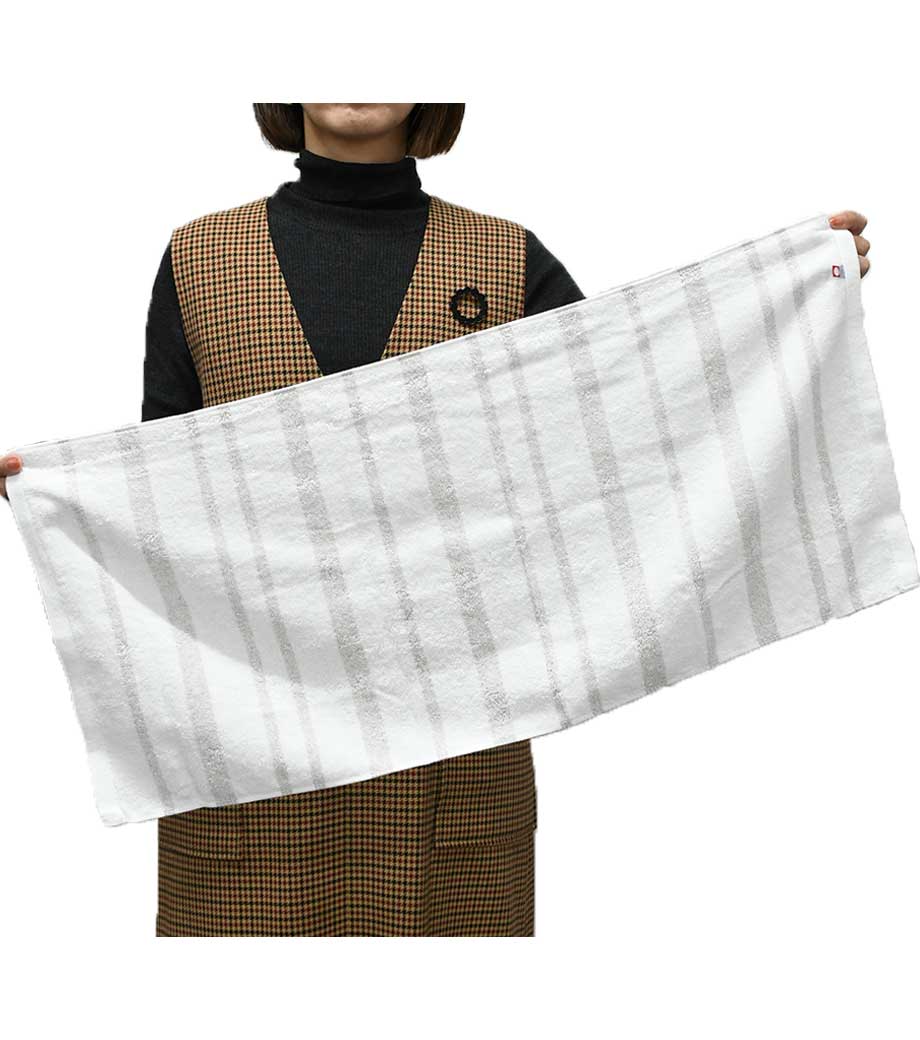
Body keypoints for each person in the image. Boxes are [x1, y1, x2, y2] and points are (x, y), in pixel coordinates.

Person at [0, 103, 872, 936]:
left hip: (457, 742)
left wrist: (794, 292)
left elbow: (629, 416)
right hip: (252, 737)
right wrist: (57, 505)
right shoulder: (202, 258)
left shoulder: (505, 259)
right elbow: (157, 492)